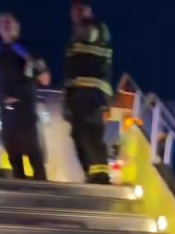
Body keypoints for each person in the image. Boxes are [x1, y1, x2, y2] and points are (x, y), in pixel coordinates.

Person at [0, 12, 50, 181]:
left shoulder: (28, 48)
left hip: (25, 109)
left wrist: (27, 56)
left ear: (17, 26)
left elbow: (45, 78)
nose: (5, 25)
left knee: (32, 150)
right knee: (12, 151)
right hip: (6, 111)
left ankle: (41, 185)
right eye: (2, 23)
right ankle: (20, 184)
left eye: (9, 22)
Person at [64, 0, 113, 184]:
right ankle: (91, 173)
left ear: (89, 11)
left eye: (81, 9)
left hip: (93, 93)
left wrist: (81, 27)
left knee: (91, 133)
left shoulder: (96, 28)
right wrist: (67, 98)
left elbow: (90, 35)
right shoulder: (74, 40)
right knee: (79, 135)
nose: (77, 13)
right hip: (78, 94)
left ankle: (101, 175)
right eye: (75, 10)